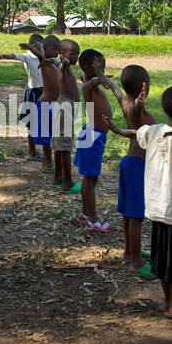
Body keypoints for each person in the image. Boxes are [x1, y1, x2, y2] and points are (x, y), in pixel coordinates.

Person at [108, 85, 172, 318]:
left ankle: (168, 300)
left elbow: (135, 132)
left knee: (162, 257)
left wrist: (116, 129)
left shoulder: (155, 131)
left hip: (158, 210)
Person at [103, 64, 156, 278]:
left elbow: (113, 86)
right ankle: (136, 262)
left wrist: (101, 76)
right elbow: (136, 112)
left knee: (128, 213)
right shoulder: (136, 108)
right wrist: (139, 104)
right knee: (136, 216)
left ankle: (129, 251)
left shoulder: (123, 100)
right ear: (144, 86)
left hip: (129, 163)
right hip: (138, 166)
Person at [73, 48, 113, 232]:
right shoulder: (89, 86)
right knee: (89, 180)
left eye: (103, 66)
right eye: (99, 66)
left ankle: (85, 213)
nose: (102, 70)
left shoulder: (87, 79)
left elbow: (84, 73)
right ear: (90, 68)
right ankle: (94, 219)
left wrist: (95, 72)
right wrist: (99, 75)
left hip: (93, 135)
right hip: (93, 137)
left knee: (90, 179)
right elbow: (100, 81)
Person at [0, 35, 46, 162]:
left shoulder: (46, 56)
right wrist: (3, 56)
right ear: (31, 45)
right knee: (31, 124)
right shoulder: (27, 56)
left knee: (45, 124)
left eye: (41, 44)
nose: (39, 47)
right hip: (33, 93)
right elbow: (14, 56)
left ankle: (46, 154)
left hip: (46, 94)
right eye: (36, 45)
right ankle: (32, 152)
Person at [50, 38, 81, 193]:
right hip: (65, 109)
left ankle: (57, 178)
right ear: (63, 54)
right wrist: (65, 61)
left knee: (59, 147)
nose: (76, 57)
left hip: (64, 108)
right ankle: (67, 183)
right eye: (73, 53)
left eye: (78, 54)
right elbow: (64, 63)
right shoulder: (63, 66)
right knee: (65, 148)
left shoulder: (67, 68)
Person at [36, 34, 62, 176]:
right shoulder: (45, 60)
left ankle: (51, 161)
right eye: (54, 49)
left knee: (55, 135)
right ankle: (47, 161)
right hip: (45, 104)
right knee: (45, 137)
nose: (57, 52)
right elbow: (40, 56)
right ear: (45, 48)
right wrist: (38, 48)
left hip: (55, 105)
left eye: (59, 50)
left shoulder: (56, 62)